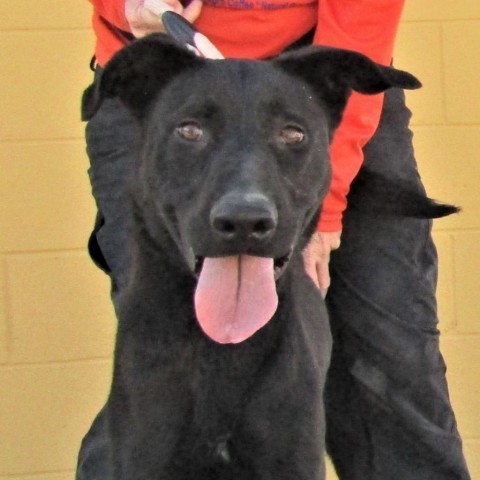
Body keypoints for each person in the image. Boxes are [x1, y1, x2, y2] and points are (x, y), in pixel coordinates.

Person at [77, 0, 471, 478]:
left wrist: (323, 205)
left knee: (390, 362)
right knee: (159, 374)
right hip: (166, 85)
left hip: (313, 87)